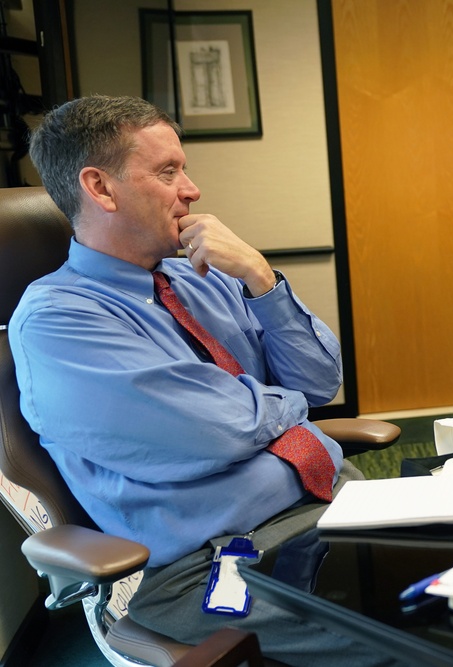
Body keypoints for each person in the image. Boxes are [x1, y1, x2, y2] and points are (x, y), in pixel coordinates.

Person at [10, 95, 399, 666]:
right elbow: (216, 429)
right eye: (168, 172)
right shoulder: (58, 321)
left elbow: (319, 383)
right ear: (101, 188)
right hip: (219, 563)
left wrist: (262, 279)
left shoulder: (199, 275)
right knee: (400, 641)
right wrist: (279, 409)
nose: (191, 190)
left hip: (329, 502)